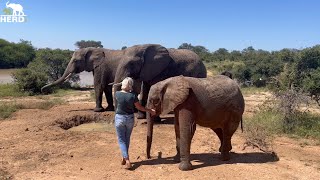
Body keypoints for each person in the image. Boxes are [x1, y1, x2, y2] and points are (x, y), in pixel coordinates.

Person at [114, 77, 156, 169]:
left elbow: (119, 99)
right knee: (127, 139)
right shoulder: (133, 96)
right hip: (129, 119)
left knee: (121, 140)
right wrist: (149, 110)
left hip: (119, 118)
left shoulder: (117, 94)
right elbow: (140, 108)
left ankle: (127, 160)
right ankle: (124, 157)